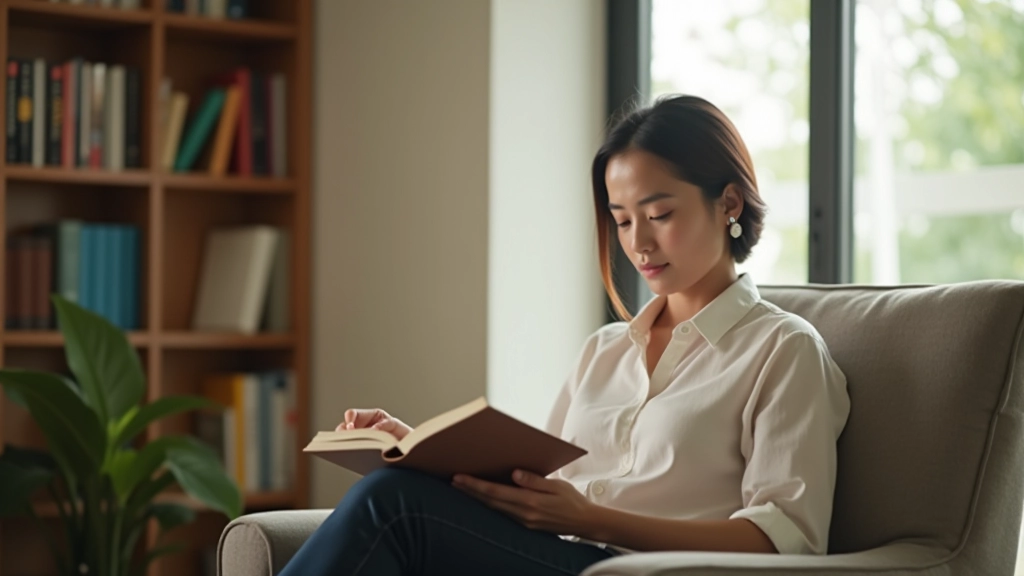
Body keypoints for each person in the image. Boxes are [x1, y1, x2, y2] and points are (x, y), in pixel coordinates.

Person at [278, 95, 851, 576]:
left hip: (642, 569)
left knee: (392, 509)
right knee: (393, 499)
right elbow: (535, 491)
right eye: (622, 220)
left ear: (727, 202)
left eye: (659, 214)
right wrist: (418, 449)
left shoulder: (783, 349)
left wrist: (595, 520)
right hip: (554, 558)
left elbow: (788, 543)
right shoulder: (604, 351)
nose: (638, 244)